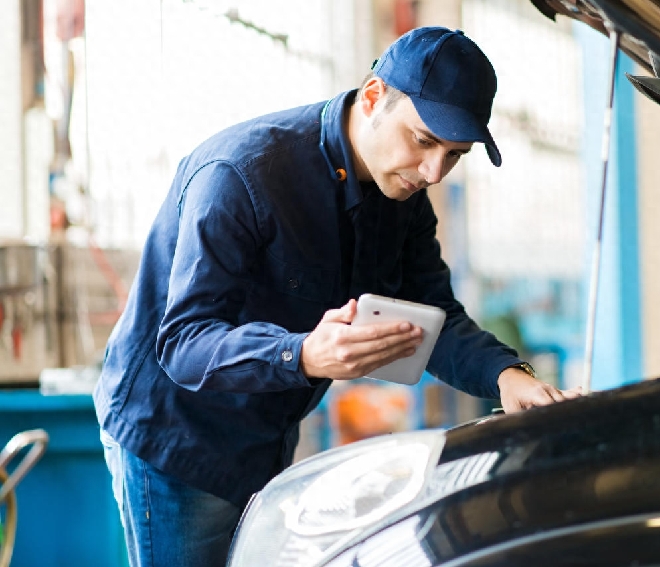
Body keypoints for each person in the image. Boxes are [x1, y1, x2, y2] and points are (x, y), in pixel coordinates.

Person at [94, 26, 581, 567]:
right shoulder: (243, 175)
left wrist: (507, 377)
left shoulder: (403, 194)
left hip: (265, 433)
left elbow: (433, 317)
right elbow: (185, 343)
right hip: (178, 436)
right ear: (373, 97)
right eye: (423, 140)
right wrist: (302, 355)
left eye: (455, 154)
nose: (433, 172)